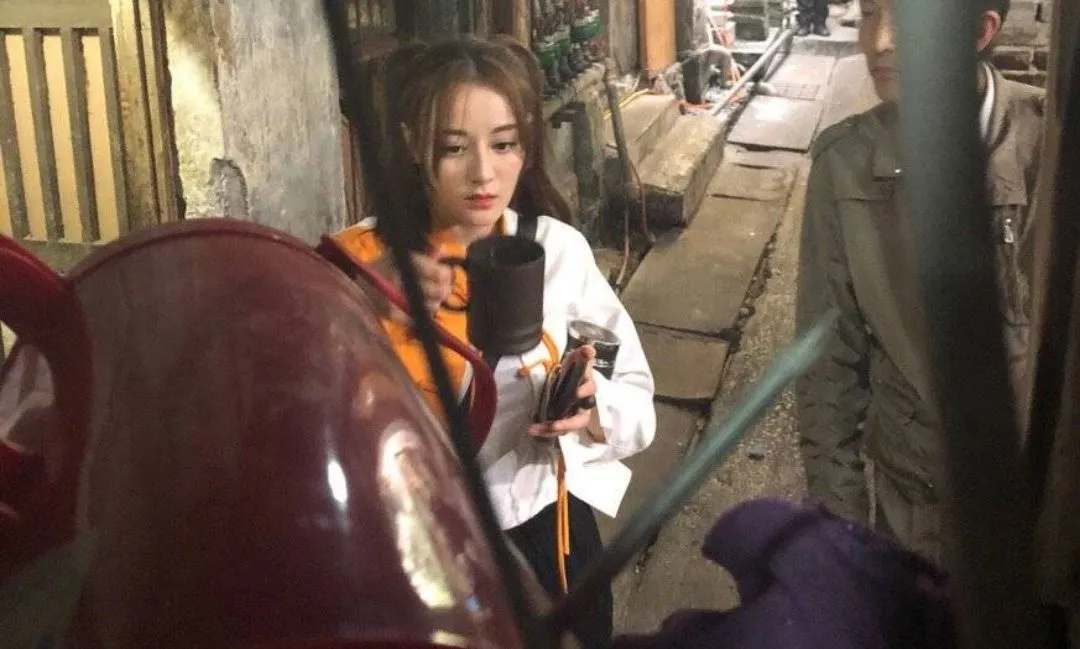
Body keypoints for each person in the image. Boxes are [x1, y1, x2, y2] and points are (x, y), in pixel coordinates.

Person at [334, 36, 657, 647]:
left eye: (504, 144)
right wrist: (362, 307)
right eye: (454, 148)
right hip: (412, 549)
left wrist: (591, 409)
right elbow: (305, 413)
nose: (484, 174)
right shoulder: (361, 263)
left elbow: (638, 409)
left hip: (546, 541)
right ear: (412, 144)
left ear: (525, 147)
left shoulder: (557, 252)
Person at [795, 0, 1044, 567]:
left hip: (1041, 522)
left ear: (980, 31)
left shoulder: (1051, 149)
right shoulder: (845, 163)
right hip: (916, 517)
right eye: (869, 13)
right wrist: (844, 547)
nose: (879, 41)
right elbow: (828, 368)